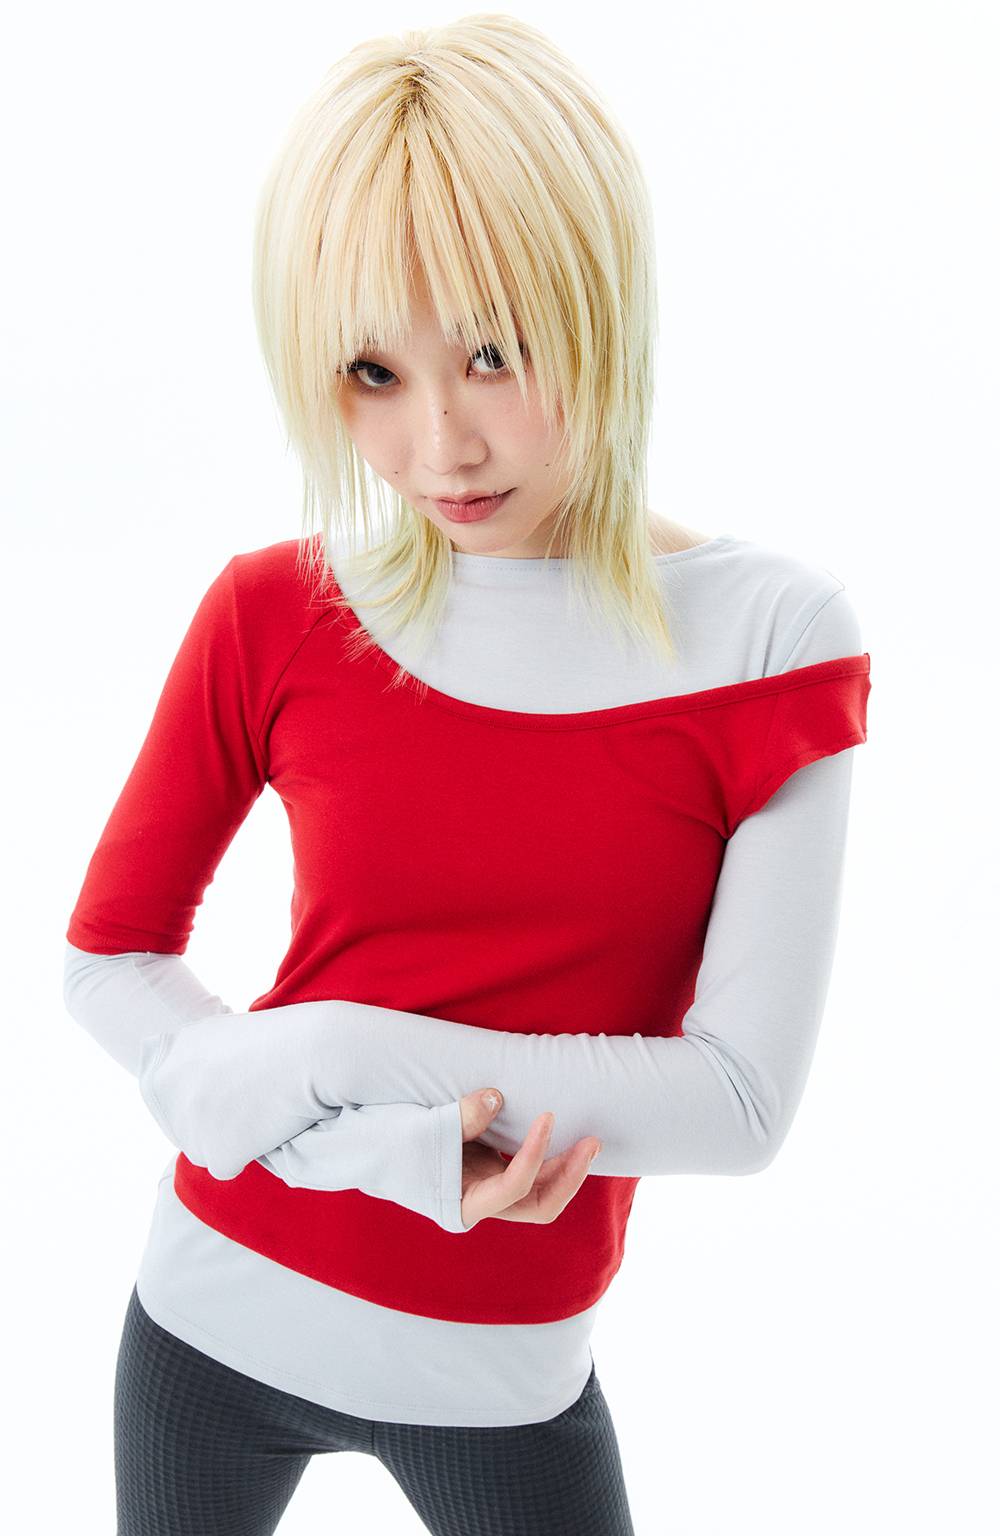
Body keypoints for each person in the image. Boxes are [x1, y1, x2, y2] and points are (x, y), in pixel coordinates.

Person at [63, 14, 872, 1536]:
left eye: (495, 351)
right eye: (372, 370)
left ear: (602, 300)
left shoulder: (769, 643)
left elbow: (737, 1103)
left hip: (502, 1374)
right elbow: (107, 961)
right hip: (209, 1313)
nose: (438, 444)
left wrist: (331, 1054)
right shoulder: (275, 611)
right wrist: (383, 1147)